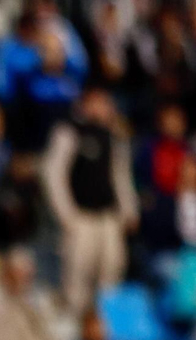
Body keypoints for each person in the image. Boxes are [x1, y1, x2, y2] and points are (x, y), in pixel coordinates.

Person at [43, 87, 137, 315]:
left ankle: (105, 326)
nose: (101, 108)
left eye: (105, 103)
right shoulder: (69, 132)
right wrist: (65, 214)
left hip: (108, 217)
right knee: (77, 274)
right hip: (80, 217)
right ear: (85, 105)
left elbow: (121, 175)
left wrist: (129, 210)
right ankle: (75, 327)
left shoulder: (114, 136)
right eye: (96, 102)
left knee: (112, 271)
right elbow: (53, 174)